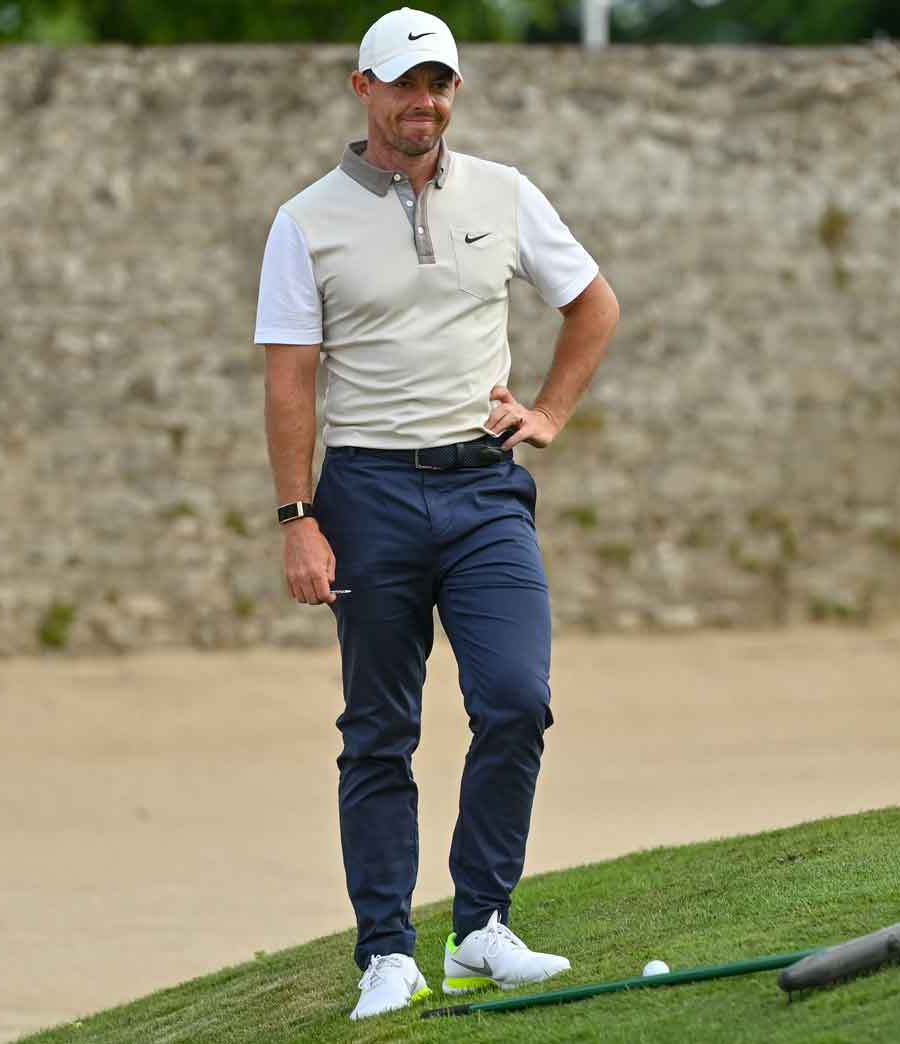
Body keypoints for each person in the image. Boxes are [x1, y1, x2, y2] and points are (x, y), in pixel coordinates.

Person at [252, 5, 620, 1022]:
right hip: (365, 493)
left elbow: (593, 304)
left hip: (482, 489)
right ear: (361, 89)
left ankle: (481, 930)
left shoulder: (501, 195)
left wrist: (545, 411)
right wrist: (297, 518)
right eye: (406, 85)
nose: (425, 104)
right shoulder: (306, 220)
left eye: (440, 85)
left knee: (514, 699)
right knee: (380, 730)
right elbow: (290, 382)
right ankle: (384, 952)